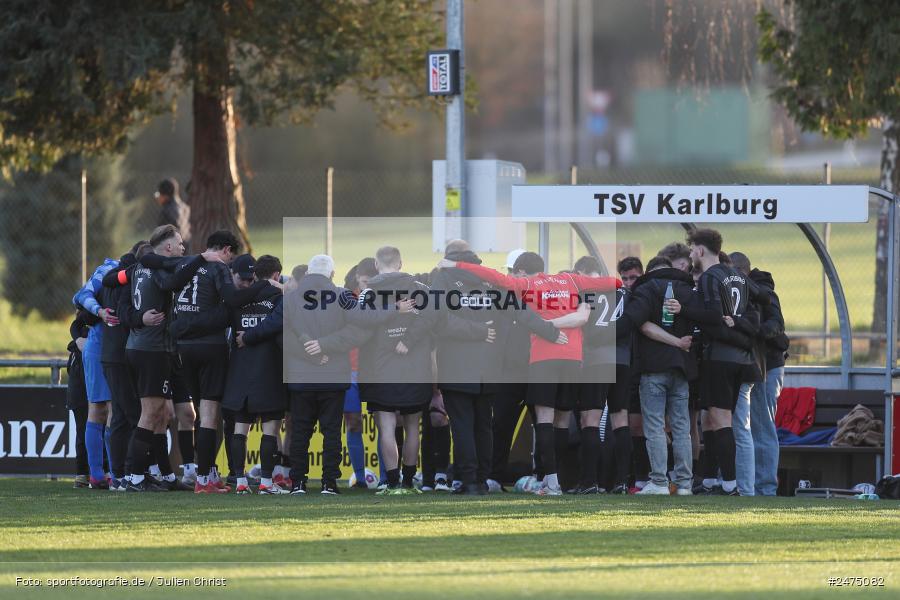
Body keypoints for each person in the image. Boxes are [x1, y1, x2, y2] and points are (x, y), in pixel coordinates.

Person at [437, 251, 621, 496]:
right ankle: (558, 480)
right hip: (567, 358)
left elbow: (493, 282)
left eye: (513, 271)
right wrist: (567, 319)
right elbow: (613, 283)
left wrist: (456, 264)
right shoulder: (571, 281)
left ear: (521, 271)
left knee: (534, 421)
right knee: (559, 422)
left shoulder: (524, 285)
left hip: (536, 360)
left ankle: (544, 482)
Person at [164, 230, 271, 493]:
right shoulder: (218, 268)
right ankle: (205, 480)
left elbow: (172, 287)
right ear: (225, 250)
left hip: (184, 348)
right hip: (210, 347)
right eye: (230, 255)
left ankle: (207, 473)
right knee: (210, 413)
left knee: (201, 411)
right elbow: (233, 299)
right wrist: (264, 286)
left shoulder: (187, 264)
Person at [122, 225, 209, 492]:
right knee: (150, 413)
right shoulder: (158, 269)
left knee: (160, 413)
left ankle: (165, 475)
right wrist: (200, 260)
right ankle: (134, 477)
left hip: (148, 347)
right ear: (168, 247)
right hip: (151, 349)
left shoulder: (139, 268)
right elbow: (172, 282)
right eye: (180, 244)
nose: (183, 248)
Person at [682, 229, 758, 496]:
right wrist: (741, 333)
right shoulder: (737, 275)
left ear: (700, 251)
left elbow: (713, 317)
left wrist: (684, 310)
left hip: (720, 357)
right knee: (712, 419)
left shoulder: (710, 277)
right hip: (739, 359)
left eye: (691, 250)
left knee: (721, 419)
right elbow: (756, 312)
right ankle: (713, 481)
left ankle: (730, 483)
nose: (691, 255)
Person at [624, 256, 700, 495]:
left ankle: (658, 482)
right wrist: (679, 343)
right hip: (682, 368)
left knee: (655, 426)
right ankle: (685, 484)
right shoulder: (688, 290)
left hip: (653, 368)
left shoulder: (646, 289)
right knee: (681, 427)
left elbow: (640, 324)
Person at [223, 255, 288, 494]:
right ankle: (267, 483)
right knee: (271, 427)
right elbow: (277, 324)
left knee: (241, 427)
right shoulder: (279, 299)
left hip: (241, 369)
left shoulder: (240, 301)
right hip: (269, 369)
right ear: (276, 276)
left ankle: (240, 481)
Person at [731, 252, 789, 496]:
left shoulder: (762, 291)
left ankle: (765, 487)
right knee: (752, 425)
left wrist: (751, 332)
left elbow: (777, 324)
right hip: (753, 364)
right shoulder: (747, 290)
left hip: (767, 364)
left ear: (741, 272)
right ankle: (755, 485)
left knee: (762, 425)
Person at [73, 256, 121, 488]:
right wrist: (101, 311)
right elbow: (80, 296)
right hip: (102, 347)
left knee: (101, 410)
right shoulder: (112, 269)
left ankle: (101, 474)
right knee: (107, 409)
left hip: (105, 347)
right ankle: (109, 474)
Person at [66, 310, 93, 488]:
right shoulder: (82, 339)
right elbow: (75, 325)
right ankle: (84, 473)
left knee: (88, 428)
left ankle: (88, 474)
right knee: (86, 428)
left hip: (85, 386)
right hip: (82, 386)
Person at [155, 178, 191, 247]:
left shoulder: (166, 211)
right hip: (187, 249)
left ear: (165, 196)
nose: (158, 198)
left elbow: (160, 237)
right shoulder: (186, 208)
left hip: (173, 250)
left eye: (159, 194)